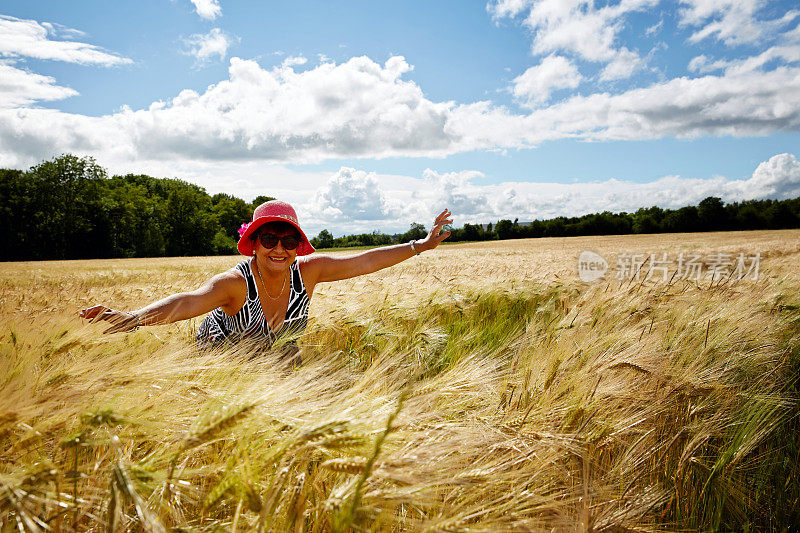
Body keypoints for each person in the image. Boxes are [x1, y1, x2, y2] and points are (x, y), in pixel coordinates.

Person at [80, 200, 452, 358]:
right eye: (269, 239)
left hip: (276, 363)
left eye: (288, 240)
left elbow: (364, 261)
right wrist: (128, 319)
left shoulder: (308, 272)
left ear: (298, 246)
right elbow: (186, 303)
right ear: (254, 244)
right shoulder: (235, 284)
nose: (279, 248)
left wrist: (421, 244)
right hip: (223, 370)